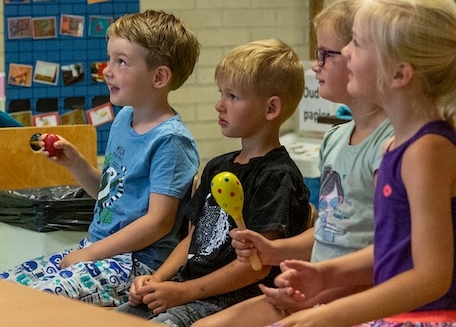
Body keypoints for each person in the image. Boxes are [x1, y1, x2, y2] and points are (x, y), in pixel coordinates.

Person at [268, 0, 456, 327]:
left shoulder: (428, 151)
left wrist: (327, 316)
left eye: (357, 44)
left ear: (400, 73)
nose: (345, 53)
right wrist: (325, 275)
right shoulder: (396, 146)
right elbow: (397, 250)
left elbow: (431, 277)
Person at [195, 0, 392, 327]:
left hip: (353, 299)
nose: (314, 66)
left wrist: (316, 298)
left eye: (323, 55)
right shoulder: (335, 139)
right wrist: (272, 252)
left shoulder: (389, 146)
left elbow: (390, 258)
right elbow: (327, 230)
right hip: (314, 292)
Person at [0, 10, 201, 307]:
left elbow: (158, 223)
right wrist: (75, 162)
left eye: (121, 62)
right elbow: (109, 196)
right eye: (109, 58)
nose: (106, 70)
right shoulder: (123, 119)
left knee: (36, 303)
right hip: (99, 250)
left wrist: (89, 254)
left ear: (159, 77)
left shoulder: (171, 140)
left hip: (136, 266)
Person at [117, 39, 313, 327]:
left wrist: (182, 292)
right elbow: (192, 240)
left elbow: (256, 268)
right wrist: (155, 281)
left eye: (232, 97)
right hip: (187, 290)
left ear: (271, 108)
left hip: (230, 301)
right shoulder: (217, 167)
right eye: (221, 93)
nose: (219, 105)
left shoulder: (277, 176)